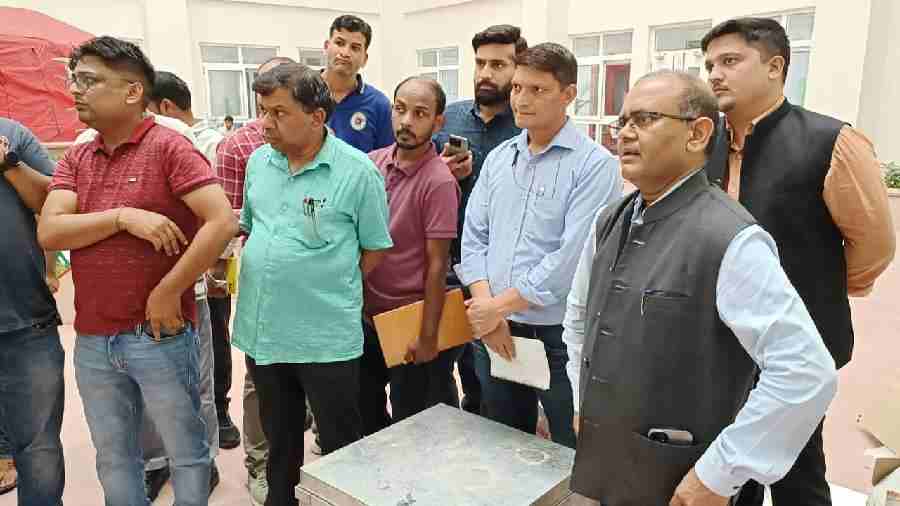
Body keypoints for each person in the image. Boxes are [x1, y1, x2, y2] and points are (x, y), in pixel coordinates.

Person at [562, 69, 838, 506]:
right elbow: (579, 318)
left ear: (697, 134)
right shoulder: (609, 220)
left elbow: (805, 372)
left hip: (681, 481)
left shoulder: (728, 237)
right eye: (622, 122)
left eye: (645, 119)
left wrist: (719, 474)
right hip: (608, 466)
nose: (625, 134)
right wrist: (583, 403)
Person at [701, 18, 896, 506]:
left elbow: (874, 244)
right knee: (731, 466)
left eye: (730, 61)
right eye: (709, 65)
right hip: (721, 340)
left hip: (800, 339)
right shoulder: (704, 142)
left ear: (775, 67)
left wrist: (816, 285)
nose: (715, 74)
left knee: (797, 469)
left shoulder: (831, 141)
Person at [38, 36, 237, 506]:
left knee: (186, 452)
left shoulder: (169, 147)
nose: (75, 90)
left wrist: (169, 290)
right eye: (74, 79)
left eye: (89, 80)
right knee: (114, 457)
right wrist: (122, 217)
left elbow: (221, 221)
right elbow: (50, 230)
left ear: (132, 92)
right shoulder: (78, 157)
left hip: (158, 333)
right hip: (93, 337)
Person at [232, 62, 392, 506]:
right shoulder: (259, 163)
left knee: (341, 446)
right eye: (262, 111)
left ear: (317, 116)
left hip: (326, 338)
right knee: (280, 440)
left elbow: (375, 249)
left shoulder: (357, 172)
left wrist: (328, 283)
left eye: (279, 113)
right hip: (265, 334)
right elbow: (253, 228)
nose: (265, 123)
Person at [458, 43, 621, 449]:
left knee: (570, 448)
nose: (522, 99)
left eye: (538, 90)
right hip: (495, 330)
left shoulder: (595, 165)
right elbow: (473, 236)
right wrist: (489, 311)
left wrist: (496, 308)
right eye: (517, 88)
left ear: (568, 94)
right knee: (504, 442)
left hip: (557, 337)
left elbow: (571, 259)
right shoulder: (500, 158)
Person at [432, 24, 527, 416]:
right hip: (447, 261)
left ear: (518, 68)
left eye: (498, 65)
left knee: (499, 367)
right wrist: (442, 174)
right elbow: (418, 177)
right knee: (449, 363)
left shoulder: (526, 123)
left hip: (503, 270)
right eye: (480, 63)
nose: (486, 73)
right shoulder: (450, 119)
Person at [214, 55, 294, 506]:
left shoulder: (320, 138)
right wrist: (219, 275)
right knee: (260, 381)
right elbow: (228, 221)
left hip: (313, 294)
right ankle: (259, 464)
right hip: (262, 287)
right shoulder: (239, 148)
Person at [361, 77, 459, 433]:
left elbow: (437, 265)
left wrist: (428, 336)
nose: (406, 121)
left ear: (437, 122)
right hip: (366, 317)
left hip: (410, 318)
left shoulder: (439, 181)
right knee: (366, 415)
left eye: (420, 114)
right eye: (400, 110)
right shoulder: (370, 164)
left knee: (415, 424)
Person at [145, 69, 225, 498]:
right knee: (147, 385)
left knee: (197, 381)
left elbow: (220, 217)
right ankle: (156, 461)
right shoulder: (93, 143)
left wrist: (211, 269)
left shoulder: (183, 139)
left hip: (189, 284)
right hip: (137, 292)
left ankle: (203, 461)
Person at [0, 117, 65, 505]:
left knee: (38, 450)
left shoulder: (11, 135)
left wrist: (9, 164)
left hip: (25, 321)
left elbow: (55, 204)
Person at [321, 14, 394, 153]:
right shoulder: (302, 93)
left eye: (355, 48)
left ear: (365, 58)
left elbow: (385, 160)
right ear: (326, 46)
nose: (345, 53)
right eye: (339, 43)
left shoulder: (380, 105)